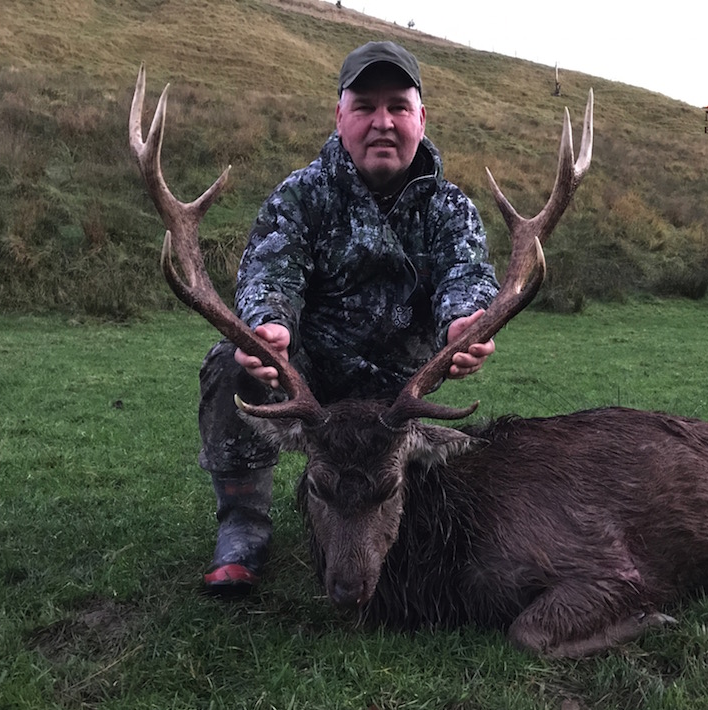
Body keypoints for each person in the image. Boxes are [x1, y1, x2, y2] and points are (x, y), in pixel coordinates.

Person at [197, 41, 500, 596]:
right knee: (230, 364)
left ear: (420, 118)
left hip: (396, 393)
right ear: (340, 117)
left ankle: (389, 515)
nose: (382, 122)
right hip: (318, 383)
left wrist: (464, 324)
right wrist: (269, 327)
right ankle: (243, 524)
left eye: (397, 107)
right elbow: (270, 273)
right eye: (364, 107)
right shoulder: (302, 196)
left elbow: (468, 278)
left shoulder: (449, 209)